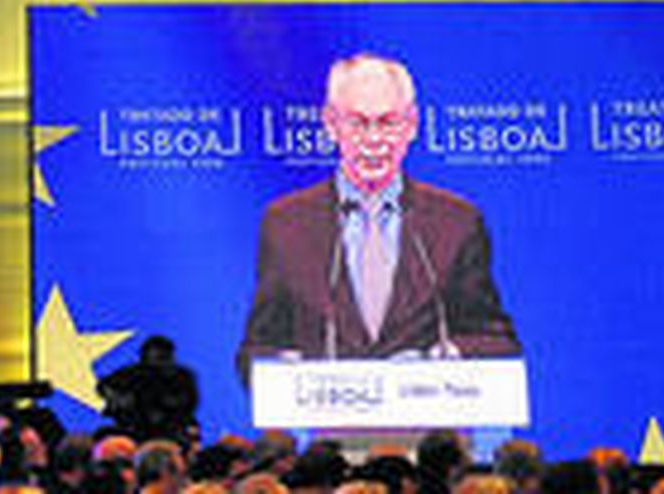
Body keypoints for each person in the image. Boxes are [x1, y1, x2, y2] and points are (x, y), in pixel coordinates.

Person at [237, 53, 520, 381]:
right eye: (358, 123)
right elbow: (259, 348)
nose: (373, 140)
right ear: (331, 124)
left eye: (388, 122)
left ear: (411, 125)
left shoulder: (456, 221)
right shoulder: (286, 223)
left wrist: (448, 357)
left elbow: (496, 342)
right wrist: (290, 372)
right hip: (327, 426)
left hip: (429, 424)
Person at [95, 336, 199, 441]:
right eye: (156, 357)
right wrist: (119, 398)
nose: (159, 364)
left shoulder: (182, 377)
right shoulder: (133, 373)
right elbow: (103, 386)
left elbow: (189, 404)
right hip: (132, 429)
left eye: (164, 357)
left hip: (171, 430)